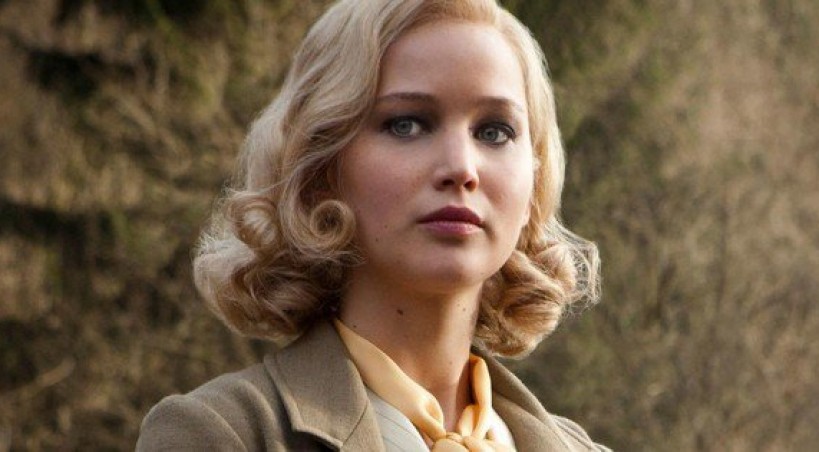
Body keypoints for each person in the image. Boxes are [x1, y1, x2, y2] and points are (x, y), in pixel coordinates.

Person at [137, 0, 606, 450]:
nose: (462, 167)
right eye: (407, 125)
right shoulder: (221, 435)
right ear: (320, 168)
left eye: (494, 132)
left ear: (534, 182)